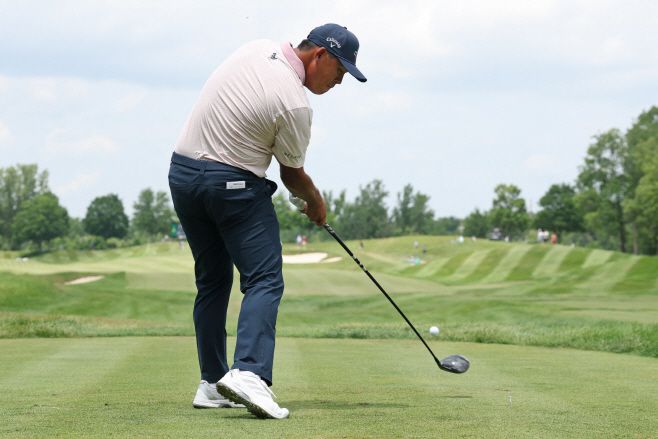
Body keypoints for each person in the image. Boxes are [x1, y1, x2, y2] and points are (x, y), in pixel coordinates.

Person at [168, 23, 366, 419]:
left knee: (213, 280)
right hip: (231, 183)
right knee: (264, 279)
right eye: (340, 70)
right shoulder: (295, 104)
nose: (339, 82)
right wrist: (316, 202)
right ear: (319, 55)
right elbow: (292, 175)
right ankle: (250, 373)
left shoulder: (257, 47)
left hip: (183, 176)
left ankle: (212, 383)